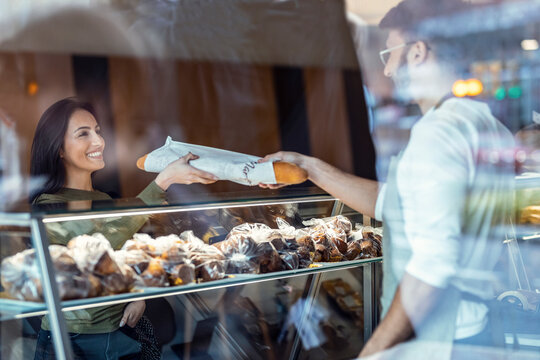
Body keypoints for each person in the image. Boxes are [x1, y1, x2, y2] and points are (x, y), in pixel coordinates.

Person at [260, 0, 515, 358]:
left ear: (417, 53)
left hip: (444, 339)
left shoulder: (437, 133)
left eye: (389, 54)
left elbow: (431, 268)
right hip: (478, 330)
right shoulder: (484, 123)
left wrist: (374, 351)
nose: (389, 69)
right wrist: (311, 166)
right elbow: (394, 202)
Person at [30, 97, 218, 359]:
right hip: (74, 338)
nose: (98, 142)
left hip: (122, 333)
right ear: (59, 149)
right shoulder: (48, 205)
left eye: (97, 131)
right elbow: (98, 246)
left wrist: (138, 294)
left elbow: (127, 260)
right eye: (83, 133)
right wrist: (162, 182)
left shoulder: (105, 201)